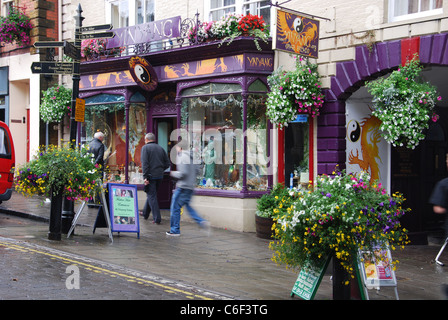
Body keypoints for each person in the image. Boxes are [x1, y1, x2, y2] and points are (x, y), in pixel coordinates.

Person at [167, 139, 209, 236]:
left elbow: (183, 173)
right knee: (189, 207)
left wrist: (172, 173)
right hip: (190, 187)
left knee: (175, 208)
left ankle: (174, 230)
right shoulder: (192, 156)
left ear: (180, 147)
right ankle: (201, 221)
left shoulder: (182, 156)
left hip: (182, 187)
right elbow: (198, 171)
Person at [141, 132, 170, 224]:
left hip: (150, 176)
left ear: (147, 140)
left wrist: (145, 177)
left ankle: (157, 218)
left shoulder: (145, 148)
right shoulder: (160, 148)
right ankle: (145, 213)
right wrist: (161, 170)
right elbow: (167, 163)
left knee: (152, 196)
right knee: (151, 194)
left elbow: (145, 163)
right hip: (159, 176)